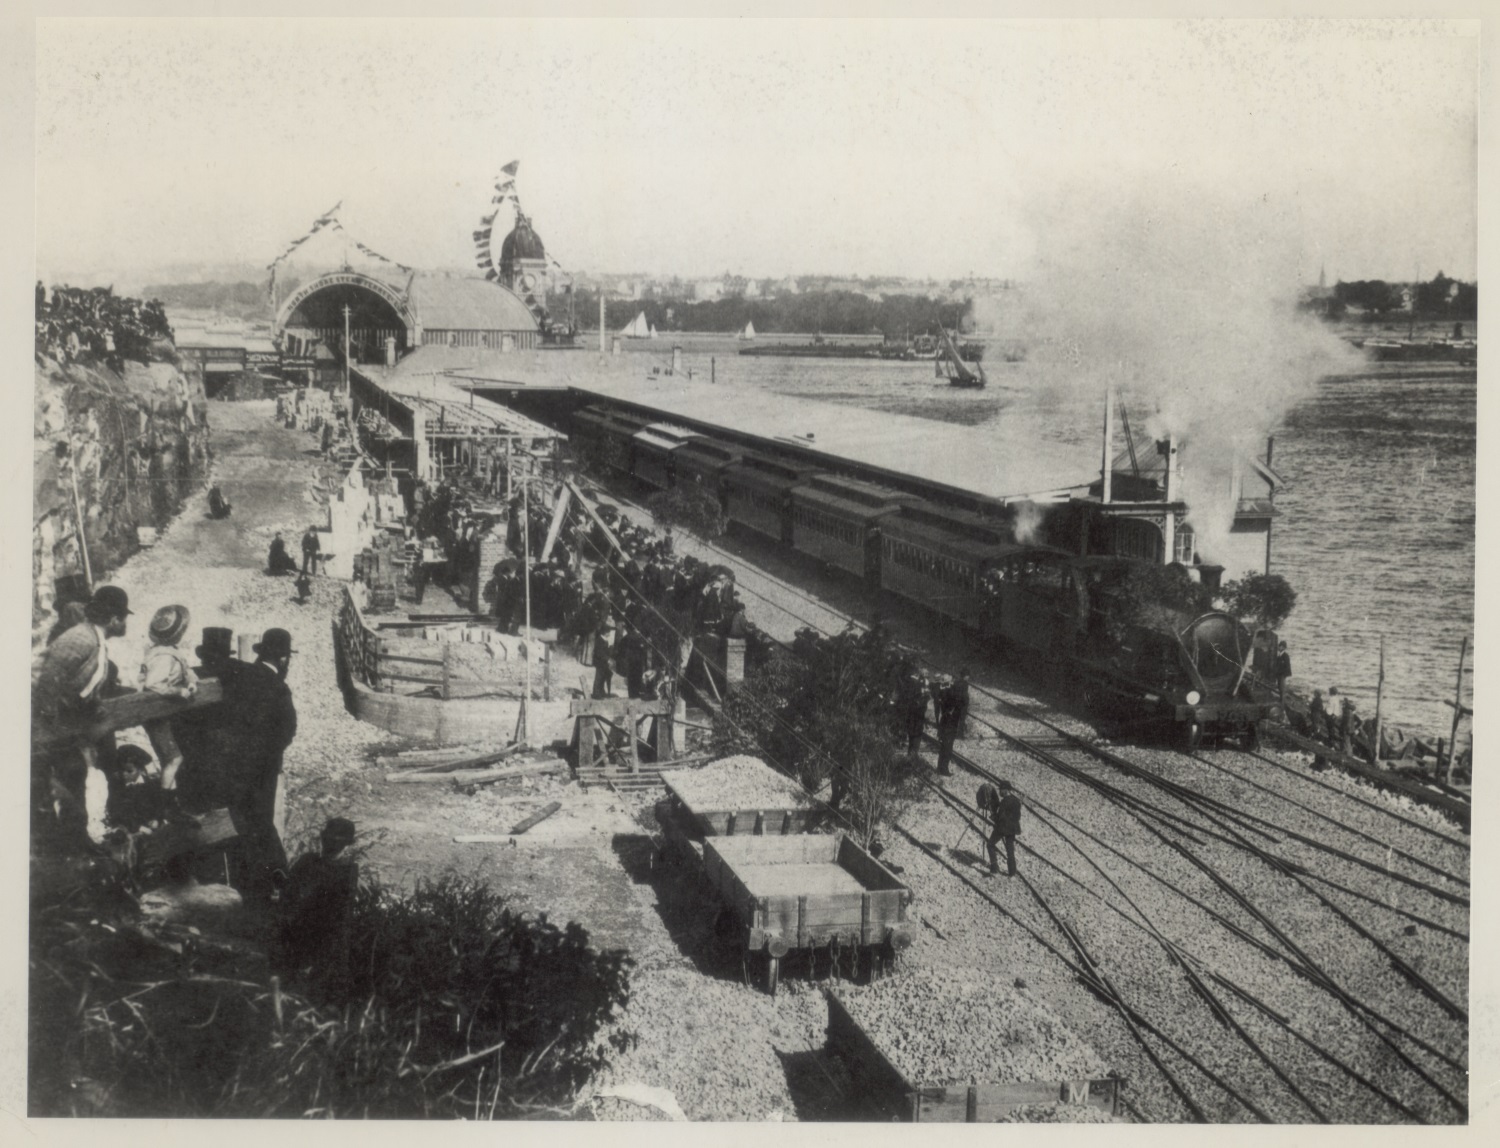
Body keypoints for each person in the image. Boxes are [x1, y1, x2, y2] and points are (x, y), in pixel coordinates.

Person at [33, 585, 133, 846]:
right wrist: (49, 724)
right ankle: (71, 846)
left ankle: (77, 842)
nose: (125, 623)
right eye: (124, 617)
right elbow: (47, 680)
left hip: (60, 726)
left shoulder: (95, 639)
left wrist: (94, 706)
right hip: (42, 728)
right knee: (61, 781)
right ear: (114, 619)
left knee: (74, 777)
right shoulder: (82, 638)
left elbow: (80, 684)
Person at [222, 628, 298, 904]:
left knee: (241, 820)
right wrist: (269, 754)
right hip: (263, 768)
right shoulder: (278, 687)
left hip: (233, 763)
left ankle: (249, 882)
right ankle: (274, 879)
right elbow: (287, 730)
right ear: (283, 658)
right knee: (262, 821)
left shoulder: (240, 675)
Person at [277, 817, 359, 997]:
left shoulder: (346, 872)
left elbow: (341, 916)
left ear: (347, 844)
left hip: (318, 939)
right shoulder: (307, 861)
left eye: (337, 840)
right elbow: (288, 892)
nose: (330, 843)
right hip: (292, 933)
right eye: (328, 838)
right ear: (322, 837)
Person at [140, 605, 198, 794]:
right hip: (155, 713)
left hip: (162, 712)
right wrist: (179, 691)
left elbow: (186, 670)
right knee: (174, 758)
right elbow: (153, 684)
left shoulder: (167, 651)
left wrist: (191, 682)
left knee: (169, 759)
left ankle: (171, 799)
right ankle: (165, 801)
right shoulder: (164, 655)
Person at [934, 670, 970, 777]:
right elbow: (959, 704)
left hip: (946, 722)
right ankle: (943, 769)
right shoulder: (950, 695)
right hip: (949, 724)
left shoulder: (946, 691)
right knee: (947, 747)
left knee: (945, 747)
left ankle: (940, 768)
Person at [897, 665, 929, 758]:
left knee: (912, 731)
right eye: (924, 673)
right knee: (917, 732)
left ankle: (910, 753)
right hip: (918, 711)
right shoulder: (921, 683)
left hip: (911, 710)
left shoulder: (910, 681)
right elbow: (925, 697)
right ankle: (913, 755)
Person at [591, 612, 618, 700]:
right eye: (608, 632)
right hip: (599, 662)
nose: (609, 634)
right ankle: (596, 693)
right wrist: (607, 659)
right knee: (599, 677)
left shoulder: (604, 640)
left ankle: (601, 691)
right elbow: (599, 653)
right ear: (604, 632)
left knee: (603, 677)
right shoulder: (600, 640)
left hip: (603, 662)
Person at [1274, 641, 1292, 711]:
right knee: (1279, 687)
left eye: (1280, 646)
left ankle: (1282, 703)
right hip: (1279, 674)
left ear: (1283, 647)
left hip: (1282, 674)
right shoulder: (1279, 655)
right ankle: (1281, 700)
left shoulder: (1285, 656)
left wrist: (1284, 674)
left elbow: (1287, 667)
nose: (1279, 647)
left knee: (1282, 688)